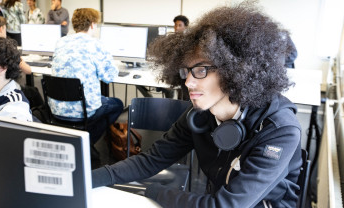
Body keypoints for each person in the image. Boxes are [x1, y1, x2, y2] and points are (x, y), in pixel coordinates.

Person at [92, 3, 302, 207]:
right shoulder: (199, 115)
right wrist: (87, 179)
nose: (188, 82)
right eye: (186, 71)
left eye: (200, 70)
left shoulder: (279, 130)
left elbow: (225, 205)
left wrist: (155, 192)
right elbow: (151, 160)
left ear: (234, 70)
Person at [50, 8, 123, 164]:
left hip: (57, 110)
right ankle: (86, 142)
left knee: (100, 101)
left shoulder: (60, 41)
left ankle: (80, 142)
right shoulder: (95, 44)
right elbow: (109, 77)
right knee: (117, 104)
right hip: (82, 111)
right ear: (92, 24)